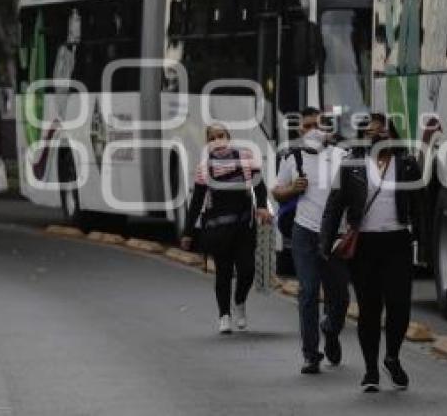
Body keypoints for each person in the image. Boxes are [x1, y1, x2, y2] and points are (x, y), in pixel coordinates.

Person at [321, 113, 422, 392]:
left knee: (399, 306)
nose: (377, 138)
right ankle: (370, 370)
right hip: (364, 245)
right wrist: (325, 245)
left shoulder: (407, 165)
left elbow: (419, 205)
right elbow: (334, 206)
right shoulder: (352, 165)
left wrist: (422, 242)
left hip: (397, 243)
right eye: (372, 134)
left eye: (383, 133)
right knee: (369, 309)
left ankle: (392, 357)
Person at [272, 107, 349, 374]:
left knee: (340, 297)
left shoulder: (341, 155)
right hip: (304, 232)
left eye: (317, 125)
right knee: (308, 291)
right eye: (306, 126)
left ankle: (330, 329)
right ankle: (310, 354)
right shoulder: (292, 157)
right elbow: (277, 191)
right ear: (298, 130)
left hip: (334, 234)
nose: (312, 130)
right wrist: (291, 189)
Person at [180, 123, 273, 334]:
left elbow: (259, 185)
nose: (217, 140)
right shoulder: (205, 168)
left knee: (247, 269)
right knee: (223, 272)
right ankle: (224, 315)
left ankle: (239, 302)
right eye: (212, 138)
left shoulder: (245, 157)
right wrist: (187, 232)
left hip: (244, 226)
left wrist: (260, 207)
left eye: (221, 135)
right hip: (218, 228)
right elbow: (197, 201)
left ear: (228, 137)